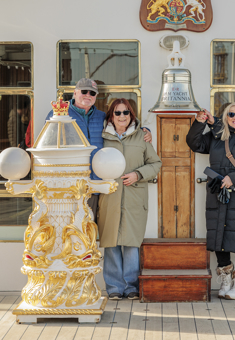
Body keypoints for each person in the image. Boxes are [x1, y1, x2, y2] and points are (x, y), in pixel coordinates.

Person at [186, 102, 235, 300]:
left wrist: (234, 177)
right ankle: (225, 280)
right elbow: (194, 143)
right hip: (218, 192)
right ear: (225, 117)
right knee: (219, 236)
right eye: (231, 114)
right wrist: (199, 122)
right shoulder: (218, 137)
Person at [45, 78, 152, 220]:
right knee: (67, 229)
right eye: (84, 91)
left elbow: (124, 125)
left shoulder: (102, 117)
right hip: (68, 186)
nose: (88, 95)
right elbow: (46, 145)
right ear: (75, 93)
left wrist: (145, 130)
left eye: (92, 93)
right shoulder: (58, 114)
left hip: (95, 185)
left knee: (91, 229)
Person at [97, 98, 162, 300]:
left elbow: (155, 163)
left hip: (134, 197)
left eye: (126, 112)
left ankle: (132, 286)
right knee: (111, 243)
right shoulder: (102, 137)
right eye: (118, 113)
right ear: (111, 116)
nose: (122, 116)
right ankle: (114, 287)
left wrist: (138, 174)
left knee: (132, 244)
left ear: (131, 116)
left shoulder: (142, 137)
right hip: (110, 197)